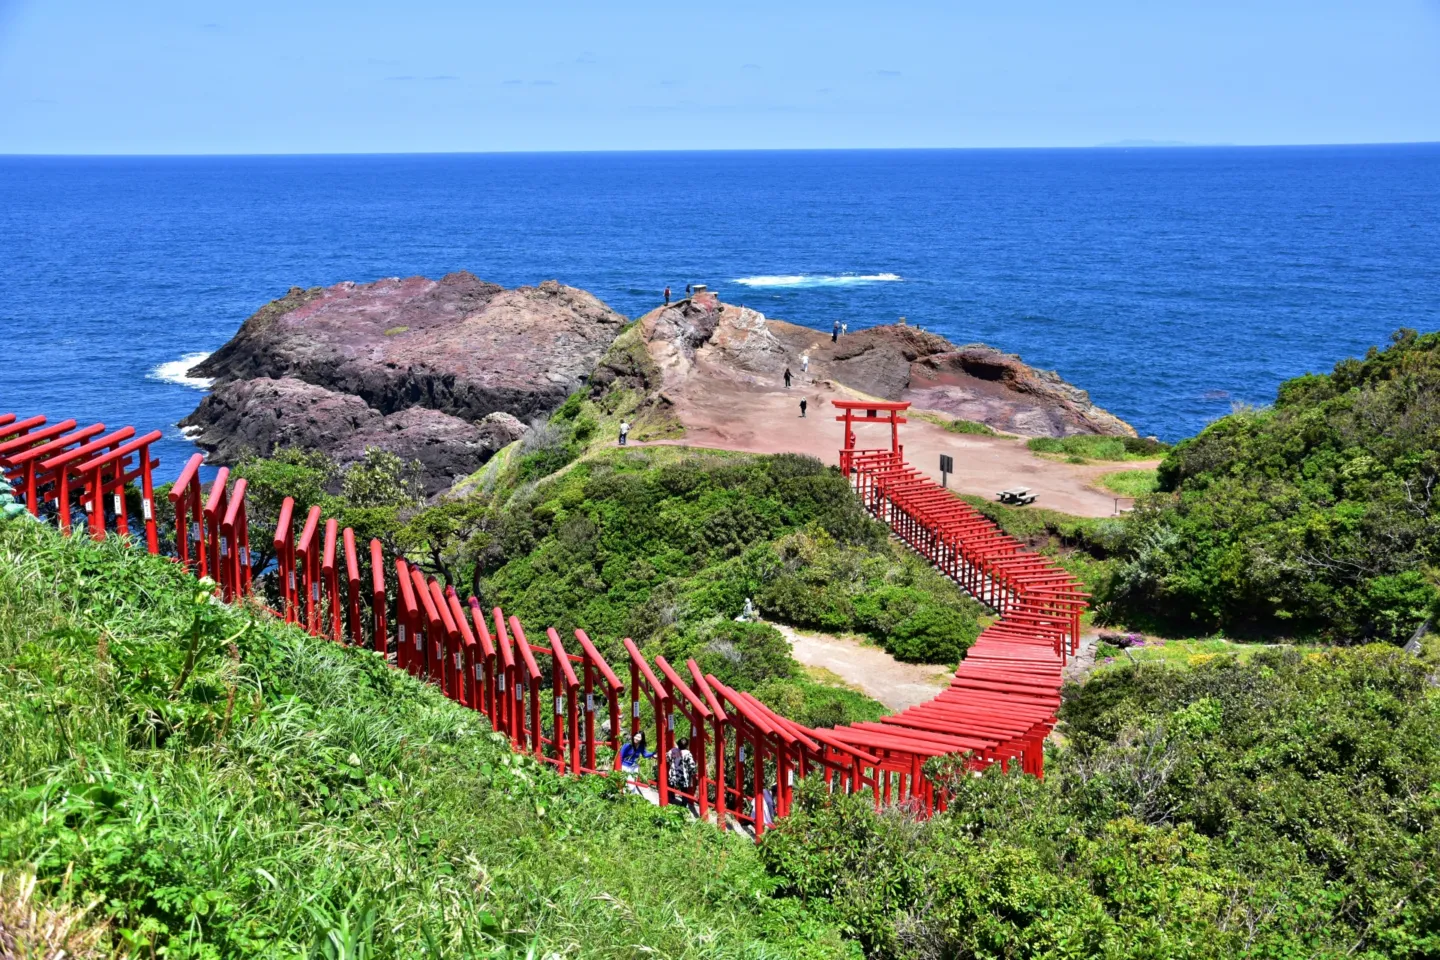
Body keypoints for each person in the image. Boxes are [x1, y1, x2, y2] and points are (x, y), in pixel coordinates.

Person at [667, 737, 699, 813]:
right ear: (687, 745)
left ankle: (671, 800)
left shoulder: (673, 750)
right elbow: (691, 766)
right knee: (684, 791)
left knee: (671, 787)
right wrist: (693, 773)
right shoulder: (688, 753)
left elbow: (667, 758)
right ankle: (684, 805)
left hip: (673, 773)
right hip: (683, 775)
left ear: (678, 744)